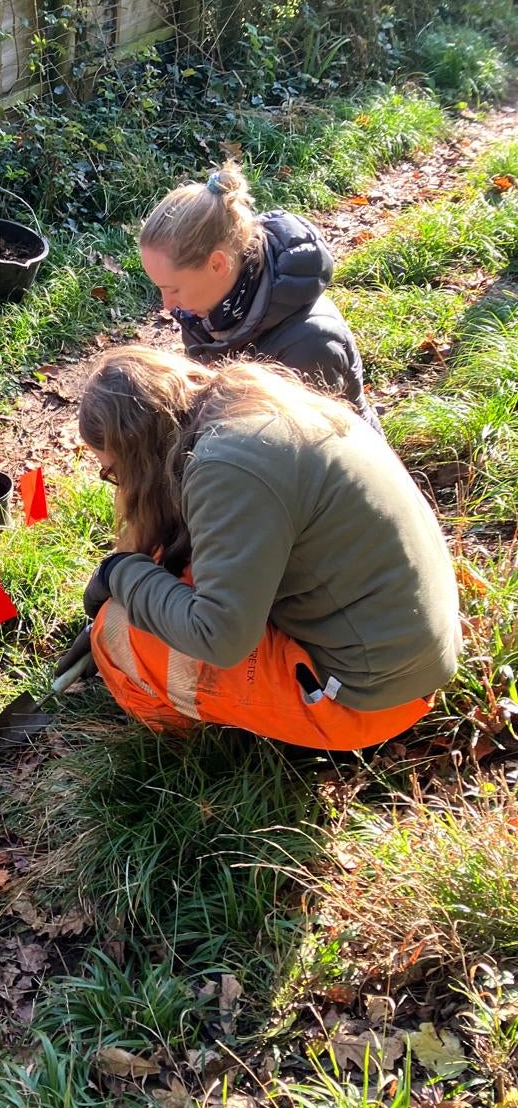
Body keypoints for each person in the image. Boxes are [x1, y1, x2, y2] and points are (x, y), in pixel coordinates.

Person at [57, 348, 461, 750]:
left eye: (113, 472)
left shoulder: (222, 470)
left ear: (138, 455)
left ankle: (187, 740)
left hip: (365, 701)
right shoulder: (247, 410)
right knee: (165, 571)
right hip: (409, 658)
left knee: (118, 631)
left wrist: (118, 575)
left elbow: (218, 638)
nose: (119, 484)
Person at [139, 162, 378, 428]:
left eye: (173, 289)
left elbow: (301, 456)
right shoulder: (209, 313)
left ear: (218, 264)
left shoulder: (310, 344)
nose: (167, 305)